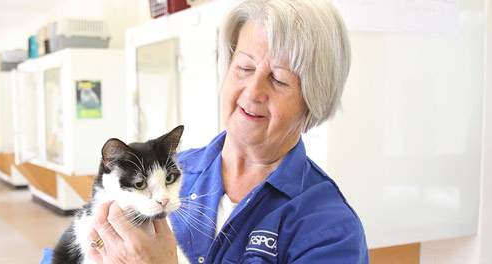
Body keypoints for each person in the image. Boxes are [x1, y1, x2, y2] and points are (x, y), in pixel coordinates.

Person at [85, 0, 368, 263]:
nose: (253, 91)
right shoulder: (175, 172)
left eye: (279, 79)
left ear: (314, 99)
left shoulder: (331, 229)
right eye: (244, 67)